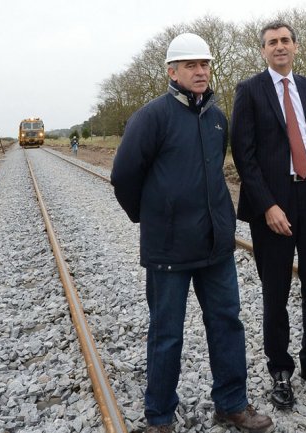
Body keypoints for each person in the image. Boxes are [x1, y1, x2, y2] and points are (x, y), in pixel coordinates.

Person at [110, 33, 273, 433]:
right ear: (172, 71)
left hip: (215, 246)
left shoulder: (218, 118)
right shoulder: (151, 117)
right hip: (168, 250)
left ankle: (232, 404)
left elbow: (215, 169)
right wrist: (150, 218)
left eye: (205, 64)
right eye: (191, 65)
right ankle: (160, 417)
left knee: (227, 324)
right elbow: (124, 176)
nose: (201, 71)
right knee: (166, 334)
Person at [230, 21, 306, 410]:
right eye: (271, 43)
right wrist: (267, 206)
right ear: (263, 51)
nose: (279, 47)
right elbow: (243, 156)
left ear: (296, 47)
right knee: (275, 293)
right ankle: (280, 370)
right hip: (273, 208)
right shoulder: (249, 91)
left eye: (285, 41)